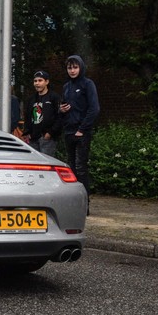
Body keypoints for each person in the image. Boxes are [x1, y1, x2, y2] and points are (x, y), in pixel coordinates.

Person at [59, 55, 100, 211]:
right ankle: (73, 203)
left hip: (82, 132)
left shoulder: (88, 84)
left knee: (81, 168)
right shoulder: (66, 87)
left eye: (75, 67)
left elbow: (94, 109)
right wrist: (61, 110)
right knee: (71, 169)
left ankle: (84, 204)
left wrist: (82, 129)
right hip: (69, 132)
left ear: (81, 67)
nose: (72, 70)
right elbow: (63, 109)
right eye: (69, 67)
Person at [23, 70, 63, 156]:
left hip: (47, 138)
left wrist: (50, 133)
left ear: (47, 82)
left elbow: (60, 116)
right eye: (35, 81)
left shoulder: (54, 97)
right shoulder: (31, 99)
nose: (37, 83)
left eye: (40, 80)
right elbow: (27, 116)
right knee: (33, 164)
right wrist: (27, 132)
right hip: (33, 138)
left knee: (46, 164)